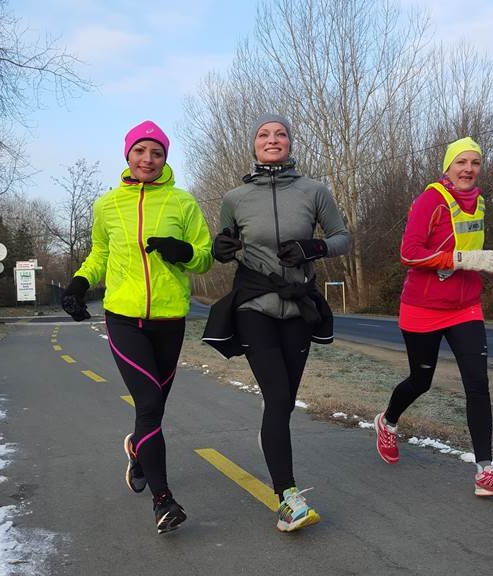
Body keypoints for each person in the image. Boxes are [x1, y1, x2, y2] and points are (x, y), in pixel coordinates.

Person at [61, 120, 213, 534]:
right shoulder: (107, 205)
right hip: (125, 316)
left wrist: (182, 251)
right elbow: (98, 255)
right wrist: (78, 283)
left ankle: (136, 451)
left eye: (157, 153)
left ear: (166, 159)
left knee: (154, 409)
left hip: (169, 318)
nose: (148, 160)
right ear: (127, 155)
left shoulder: (183, 203)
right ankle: (163, 501)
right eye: (141, 151)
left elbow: (204, 257)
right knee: (147, 405)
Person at [203, 113, 350, 532]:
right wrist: (223, 247)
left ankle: (280, 473)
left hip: (299, 308)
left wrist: (313, 246)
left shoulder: (314, 190)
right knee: (277, 393)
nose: (273, 139)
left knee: (282, 403)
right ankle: (287, 497)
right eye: (264, 134)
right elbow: (223, 248)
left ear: (290, 142)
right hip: (254, 306)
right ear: (254, 145)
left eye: (280, 134)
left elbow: (342, 237)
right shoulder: (235, 196)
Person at [373, 136, 493, 498]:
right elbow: (409, 254)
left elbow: (470, 251)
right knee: (420, 381)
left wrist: (491, 270)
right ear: (448, 167)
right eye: (461, 162)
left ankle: (485, 471)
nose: (468, 169)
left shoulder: (480, 202)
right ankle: (388, 421)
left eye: (475, 163)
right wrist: (461, 260)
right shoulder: (430, 200)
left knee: (478, 384)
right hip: (422, 309)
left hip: (465, 307)